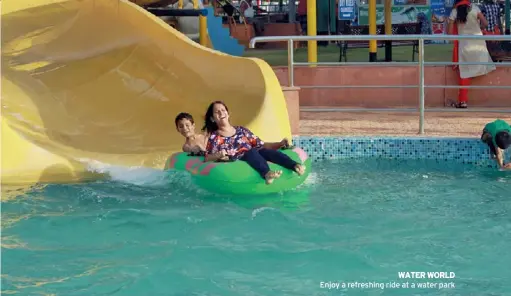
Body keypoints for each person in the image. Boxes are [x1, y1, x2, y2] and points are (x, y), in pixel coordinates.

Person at [202, 101, 306, 184]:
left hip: (254, 154)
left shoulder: (241, 130)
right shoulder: (215, 137)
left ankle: (295, 166)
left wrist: (280, 143)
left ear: (228, 114)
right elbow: (207, 157)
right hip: (240, 159)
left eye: (223, 110)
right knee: (250, 152)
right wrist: (218, 155)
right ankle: (266, 173)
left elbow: (261, 144)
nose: (221, 113)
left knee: (266, 151)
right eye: (217, 112)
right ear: (212, 118)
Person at [448, 0, 496, 109]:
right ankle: (462, 101)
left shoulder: (454, 11)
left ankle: (463, 101)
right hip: (479, 44)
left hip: (465, 45)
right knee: (474, 68)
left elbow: (450, 33)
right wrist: (480, 29)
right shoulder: (475, 8)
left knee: (465, 73)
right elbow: (485, 23)